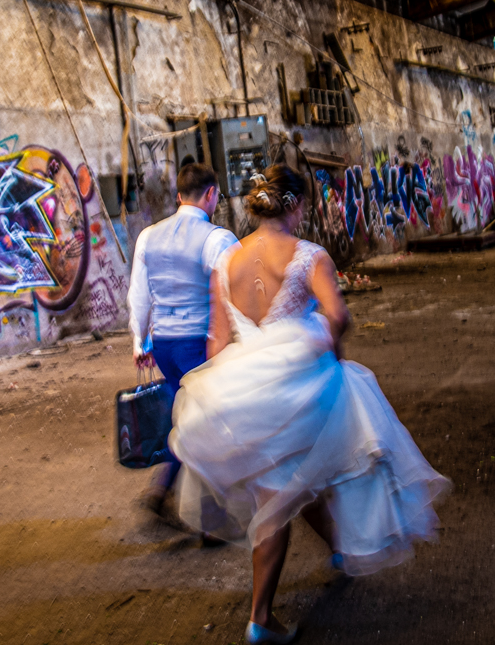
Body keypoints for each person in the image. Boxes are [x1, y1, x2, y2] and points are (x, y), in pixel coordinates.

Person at [169, 165, 450, 645]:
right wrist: (327, 350)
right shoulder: (309, 256)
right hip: (299, 392)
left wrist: (228, 391)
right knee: (278, 501)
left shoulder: (227, 260)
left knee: (302, 476)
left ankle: (337, 549)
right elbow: (338, 316)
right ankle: (260, 619)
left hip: (243, 389)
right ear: (296, 205)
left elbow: (216, 341)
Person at [127, 162, 238, 521]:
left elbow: (139, 294)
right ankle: (207, 514)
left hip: (164, 344)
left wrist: (140, 341)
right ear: (211, 194)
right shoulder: (217, 239)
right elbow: (231, 294)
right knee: (206, 422)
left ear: (178, 196)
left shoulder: (148, 236)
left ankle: (163, 489)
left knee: (187, 416)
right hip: (199, 344)